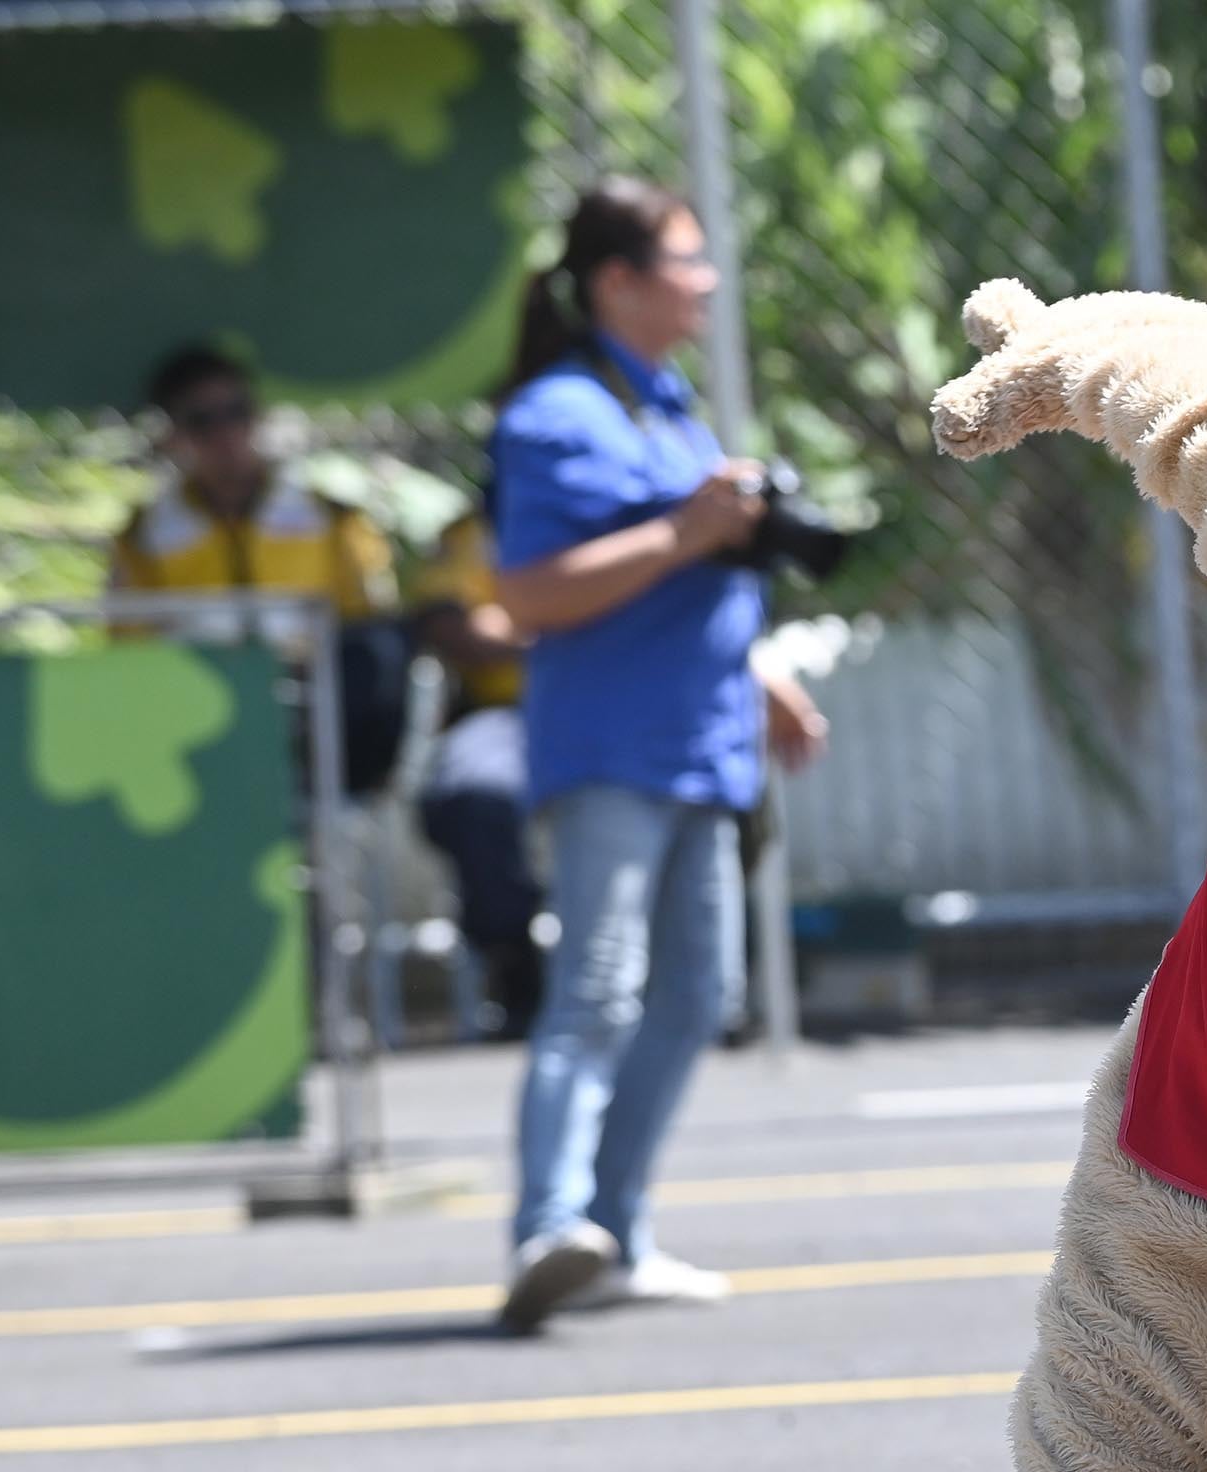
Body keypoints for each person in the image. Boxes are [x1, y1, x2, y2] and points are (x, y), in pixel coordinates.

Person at [490, 176, 827, 1333]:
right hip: (612, 750)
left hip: (703, 741)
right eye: (686, 260)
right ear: (617, 282)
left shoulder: (669, 406)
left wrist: (761, 676)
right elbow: (527, 591)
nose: (706, 283)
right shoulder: (554, 414)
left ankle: (614, 1234)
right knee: (594, 991)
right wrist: (688, 528)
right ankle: (546, 1227)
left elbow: (683, 582)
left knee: (697, 996)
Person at [108, 343, 406, 794]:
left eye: (237, 412)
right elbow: (129, 650)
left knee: (380, 652)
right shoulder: (144, 536)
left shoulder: (332, 517)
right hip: (199, 715)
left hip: (315, 705)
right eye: (202, 421)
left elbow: (369, 620)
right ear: (173, 435)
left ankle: (335, 799)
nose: (226, 433)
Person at [408, 506, 547, 1039]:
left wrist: (526, 622)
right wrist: (576, 621)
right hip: (509, 713)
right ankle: (517, 972)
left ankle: (714, 975)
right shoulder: (475, 535)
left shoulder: (632, 516)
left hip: (618, 711)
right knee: (473, 794)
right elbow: (454, 626)